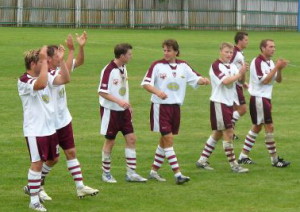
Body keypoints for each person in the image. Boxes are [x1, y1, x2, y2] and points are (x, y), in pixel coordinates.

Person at [24, 32, 99, 201]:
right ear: (48, 59)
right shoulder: (47, 74)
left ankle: (80, 187)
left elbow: (78, 62)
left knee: (70, 152)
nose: (59, 57)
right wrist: (66, 56)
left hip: (64, 119)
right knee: (50, 159)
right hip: (50, 123)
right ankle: (36, 186)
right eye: (56, 55)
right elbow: (64, 79)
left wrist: (77, 48)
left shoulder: (57, 68)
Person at [141, 39, 210, 184]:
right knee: (169, 139)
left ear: (176, 52)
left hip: (176, 108)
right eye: (164, 50)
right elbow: (145, 84)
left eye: (169, 50)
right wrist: (158, 92)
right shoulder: (157, 65)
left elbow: (195, 78)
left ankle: (153, 171)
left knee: (164, 140)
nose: (166, 53)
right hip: (161, 107)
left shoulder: (183, 65)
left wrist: (203, 81)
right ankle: (178, 174)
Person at [18, 46, 69, 211]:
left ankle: (32, 187)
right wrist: (47, 65)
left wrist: (60, 61)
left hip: (50, 129)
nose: (46, 63)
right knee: (37, 163)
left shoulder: (45, 76)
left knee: (54, 159)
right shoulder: (24, 80)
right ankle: (34, 200)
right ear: (34, 64)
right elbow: (40, 85)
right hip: (35, 130)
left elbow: (65, 79)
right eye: (42, 61)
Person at [195, 42, 249, 173]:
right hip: (219, 102)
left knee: (218, 133)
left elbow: (240, 81)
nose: (229, 55)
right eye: (226, 52)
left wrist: (243, 72)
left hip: (228, 103)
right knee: (228, 132)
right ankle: (234, 165)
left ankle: (202, 160)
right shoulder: (216, 66)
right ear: (220, 52)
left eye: (231, 53)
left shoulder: (231, 66)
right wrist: (239, 73)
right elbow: (226, 81)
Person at [98, 43, 147, 183]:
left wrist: (127, 103)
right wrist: (119, 102)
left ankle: (131, 173)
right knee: (110, 141)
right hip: (110, 111)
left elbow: (122, 89)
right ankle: (106, 173)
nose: (131, 56)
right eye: (129, 54)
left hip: (124, 112)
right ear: (122, 56)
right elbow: (102, 92)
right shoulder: (108, 70)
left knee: (131, 139)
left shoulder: (123, 68)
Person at [238, 39, 290, 167]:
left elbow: (278, 80)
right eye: (271, 47)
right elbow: (264, 81)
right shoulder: (257, 62)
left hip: (265, 98)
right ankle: (275, 160)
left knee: (257, 127)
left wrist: (280, 69)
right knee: (269, 127)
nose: (273, 49)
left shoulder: (270, 62)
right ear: (262, 48)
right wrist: (276, 67)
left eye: (274, 46)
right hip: (259, 98)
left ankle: (243, 156)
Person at [230, 32, 249, 139]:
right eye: (246, 40)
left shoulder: (239, 52)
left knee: (234, 109)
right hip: (234, 85)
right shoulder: (234, 52)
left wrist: (243, 81)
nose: (247, 42)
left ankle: (230, 133)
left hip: (236, 83)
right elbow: (227, 65)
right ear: (240, 40)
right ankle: (226, 127)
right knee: (243, 109)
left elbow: (234, 67)